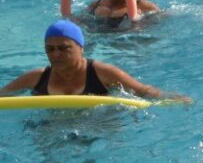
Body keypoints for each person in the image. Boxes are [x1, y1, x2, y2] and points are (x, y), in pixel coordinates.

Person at [0, 20, 182, 100]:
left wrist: (175, 99)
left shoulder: (104, 73)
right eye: (50, 49)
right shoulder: (36, 77)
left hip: (97, 125)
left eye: (64, 48)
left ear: (81, 48)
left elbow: (143, 91)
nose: (56, 54)